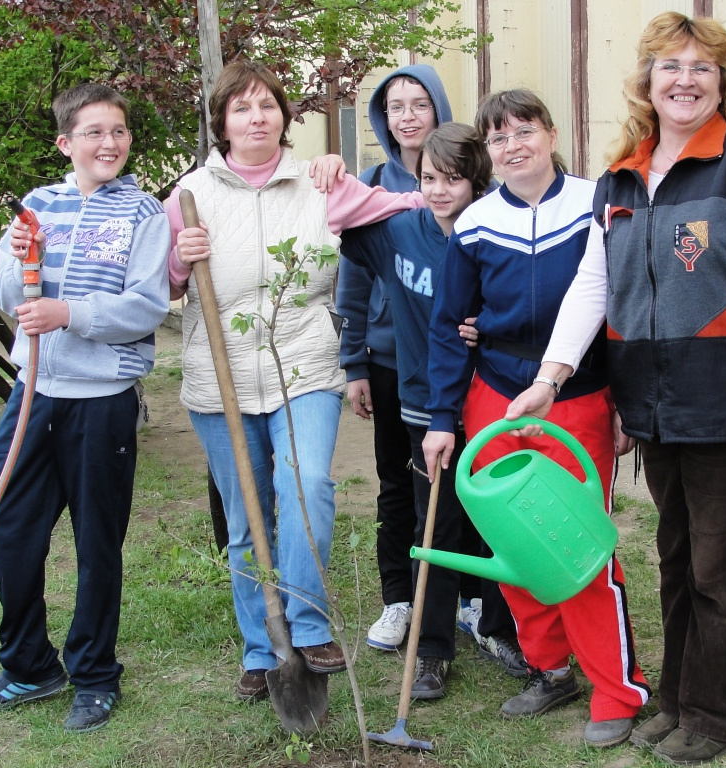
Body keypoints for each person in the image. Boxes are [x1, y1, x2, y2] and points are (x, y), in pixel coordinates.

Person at [506, 13, 726, 765]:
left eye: (702, 67)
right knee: (674, 557)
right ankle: (674, 701)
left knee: (716, 568)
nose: (684, 80)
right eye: (669, 66)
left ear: (722, 83)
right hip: (653, 403)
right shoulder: (620, 179)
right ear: (645, 83)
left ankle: (717, 717)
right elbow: (594, 284)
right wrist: (549, 376)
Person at [164, 59, 424, 703]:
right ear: (222, 122)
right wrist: (179, 257)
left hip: (304, 361)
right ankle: (262, 648)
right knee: (246, 518)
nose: (257, 118)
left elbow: (415, 202)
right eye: (242, 108)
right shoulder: (190, 193)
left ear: (285, 117)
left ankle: (306, 626)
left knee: (305, 486)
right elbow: (163, 285)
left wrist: (481, 189)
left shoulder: (319, 184)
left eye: (268, 106)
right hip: (216, 371)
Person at [423, 89, 651, 748]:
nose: (513, 145)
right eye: (498, 138)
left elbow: (625, 309)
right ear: (486, 154)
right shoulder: (473, 224)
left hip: (578, 397)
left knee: (577, 547)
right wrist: (442, 416)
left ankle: (617, 690)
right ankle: (550, 669)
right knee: (517, 543)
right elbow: (447, 328)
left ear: (550, 134)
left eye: (524, 130)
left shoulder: (596, 203)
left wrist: (624, 403)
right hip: (493, 395)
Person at [0, 83, 170, 733]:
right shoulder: (36, 206)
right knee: (10, 528)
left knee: (96, 543)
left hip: (102, 402)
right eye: (94, 132)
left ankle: (93, 674)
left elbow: (144, 308)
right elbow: (6, 291)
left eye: (118, 131)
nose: (109, 143)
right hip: (33, 394)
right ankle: (30, 665)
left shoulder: (142, 213)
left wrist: (70, 313)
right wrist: (22, 262)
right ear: (66, 143)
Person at [340, 122, 494, 698]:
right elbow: (340, 220)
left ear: (477, 181)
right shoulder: (400, 230)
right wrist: (340, 176)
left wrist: (492, 327)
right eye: (428, 178)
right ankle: (431, 649)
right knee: (434, 522)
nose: (439, 190)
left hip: (486, 402)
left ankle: (497, 623)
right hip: (420, 403)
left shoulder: (494, 233)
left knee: (490, 519)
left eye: (453, 179)